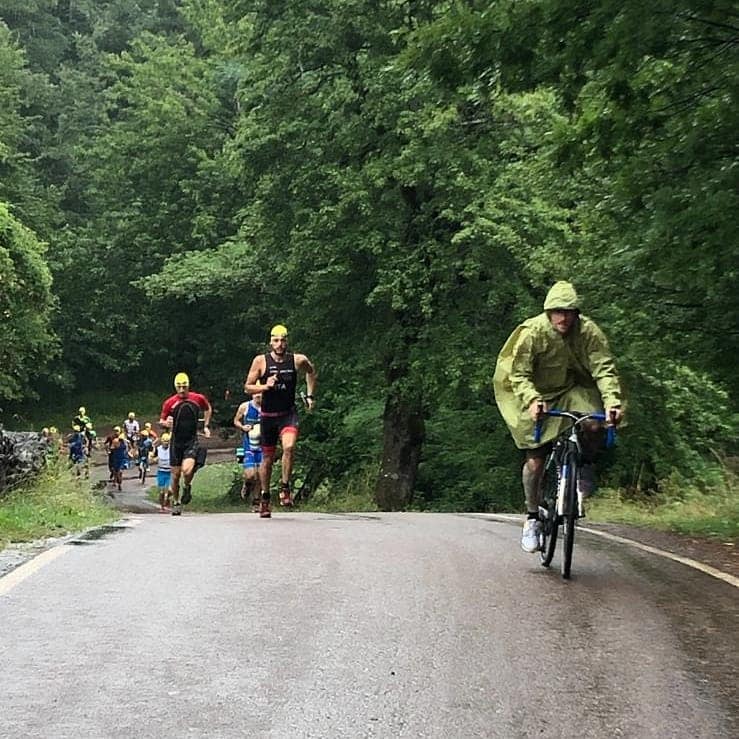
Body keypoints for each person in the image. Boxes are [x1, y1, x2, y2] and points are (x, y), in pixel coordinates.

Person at [493, 281, 623, 553]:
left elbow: (604, 369)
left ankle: (583, 464)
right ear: (548, 312)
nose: (563, 318)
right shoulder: (532, 333)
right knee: (535, 461)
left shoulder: (589, 333)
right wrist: (531, 399)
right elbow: (519, 373)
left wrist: (612, 402)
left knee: (594, 422)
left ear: (577, 313)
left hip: (575, 388)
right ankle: (531, 516)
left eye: (569, 312)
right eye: (557, 311)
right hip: (535, 392)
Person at [244, 324, 317, 518]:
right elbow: (248, 387)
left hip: (287, 414)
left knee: (289, 447)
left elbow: (311, 371)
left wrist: (310, 395)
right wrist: (265, 387)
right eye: (276, 340)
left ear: (287, 341)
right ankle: (265, 497)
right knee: (267, 459)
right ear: (270, 342)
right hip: (268, 417)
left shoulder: (297, 360)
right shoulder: (261, 361)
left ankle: (285, 486)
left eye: (283, 340)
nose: (280, 344)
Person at [159, 372, 212, 516]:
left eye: (184, 387)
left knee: (187, 470)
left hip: (191, 440)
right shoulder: (169, 402)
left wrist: (206, 425)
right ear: (175, 387)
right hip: (176, 442)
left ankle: (187, 486)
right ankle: (176, 502)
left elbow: (207, 408)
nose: (182, 390)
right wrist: (166, 423)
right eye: (179, 387)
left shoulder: (197, 398)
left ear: (188, 386)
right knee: (175, 476)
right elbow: (161, 420)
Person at [233, 386, 263, 511]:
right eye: (255, 393)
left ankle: (256, 502)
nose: (258, 395)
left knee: (261, 475)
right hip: (248, 445)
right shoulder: (245, 406)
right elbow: (236, 420)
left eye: (260, 393)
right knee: (251, 475)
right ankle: (247, 484)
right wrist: (242, 427)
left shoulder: (268, 407)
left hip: (262, 446)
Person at [153, 432, 172, 512]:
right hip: (161, 472)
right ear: (161, 441)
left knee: (170, 490)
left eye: (167, 441)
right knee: (161, 492)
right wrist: (154, 459)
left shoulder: (172, 449)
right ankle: (162, 507)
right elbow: (153, 458)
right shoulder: (158, 449)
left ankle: (167, 499)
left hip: (169, 472)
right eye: (164, 441)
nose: (166, 443)